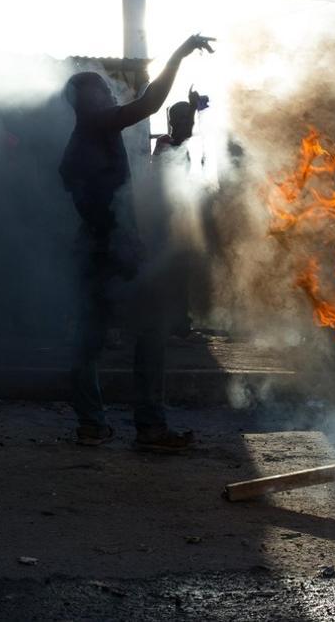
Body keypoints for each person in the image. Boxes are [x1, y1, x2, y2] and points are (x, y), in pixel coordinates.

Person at [59, 34, 214, 451]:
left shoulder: (87, 140)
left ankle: (93, 424)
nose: (107, 96)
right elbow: (148, 105)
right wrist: (178, 55)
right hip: (111, 250)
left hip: (95, 249)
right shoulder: (95, 127)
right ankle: (149, 427)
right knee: (148, 331)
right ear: (84, 100)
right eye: (99, 91)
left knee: (89, 340)